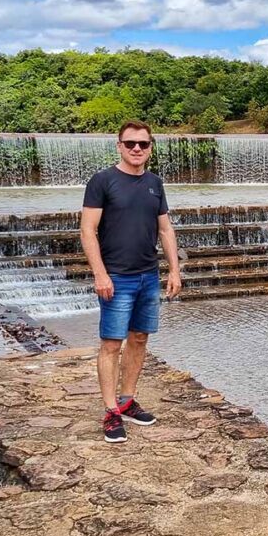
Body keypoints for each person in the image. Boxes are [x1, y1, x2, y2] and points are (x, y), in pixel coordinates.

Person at [81, 120, 182, 443]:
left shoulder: (155, 183)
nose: (137, 149)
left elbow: (165, 229)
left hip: (148, 274)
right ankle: (110, 411)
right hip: (116, 276)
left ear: (151, 147)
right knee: (112, 344)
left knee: (139, 338)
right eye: (130, 144)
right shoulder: (102, 181)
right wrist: (99, 272)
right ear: (119, 146)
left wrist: (174, 270)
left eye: (143, 144)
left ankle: (127, 400)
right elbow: (87, 230)